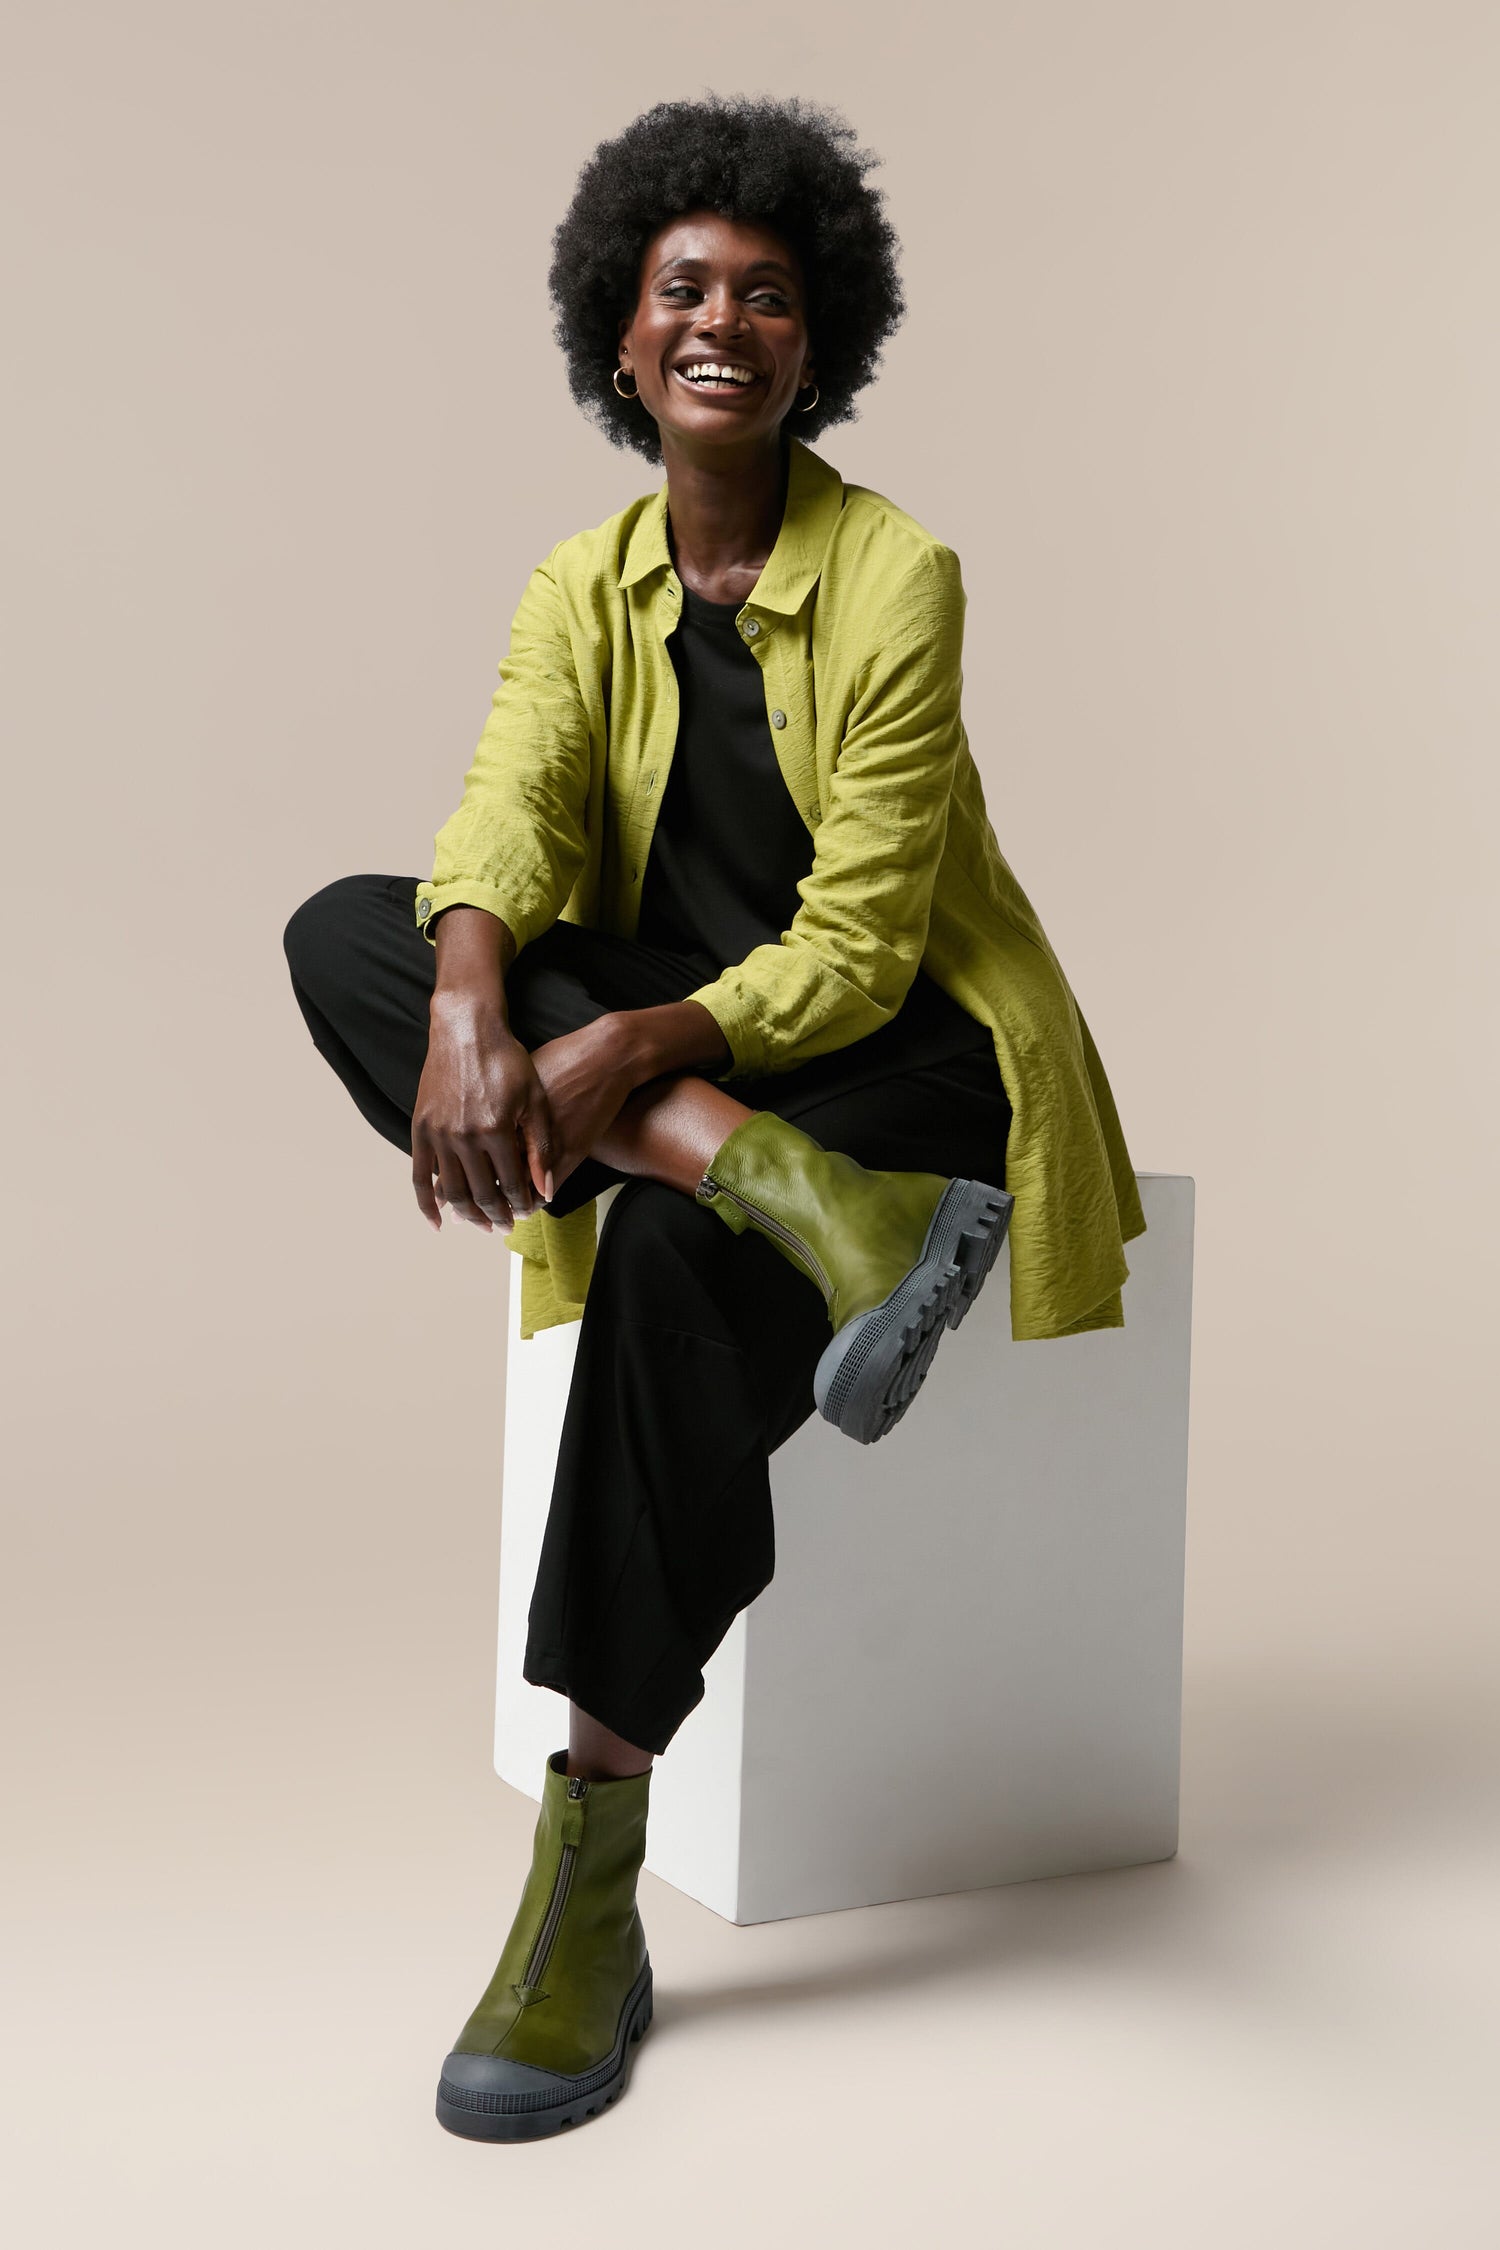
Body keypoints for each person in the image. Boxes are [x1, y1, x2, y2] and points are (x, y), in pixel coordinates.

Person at [283, 93, 1146, 2142]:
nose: (722, 321)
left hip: (896, 1049)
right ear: (622, 339)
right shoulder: (578, 586)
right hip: (728, 1098)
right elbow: (498, 808)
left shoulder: (900, 573)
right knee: (357, 939)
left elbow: (858, 941)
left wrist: (616, 1053)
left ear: (813, 340)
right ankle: (808, 1211)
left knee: (665, 1255)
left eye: (766, 293)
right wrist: (490, 1005)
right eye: (684, 289)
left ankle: (588, 1872)